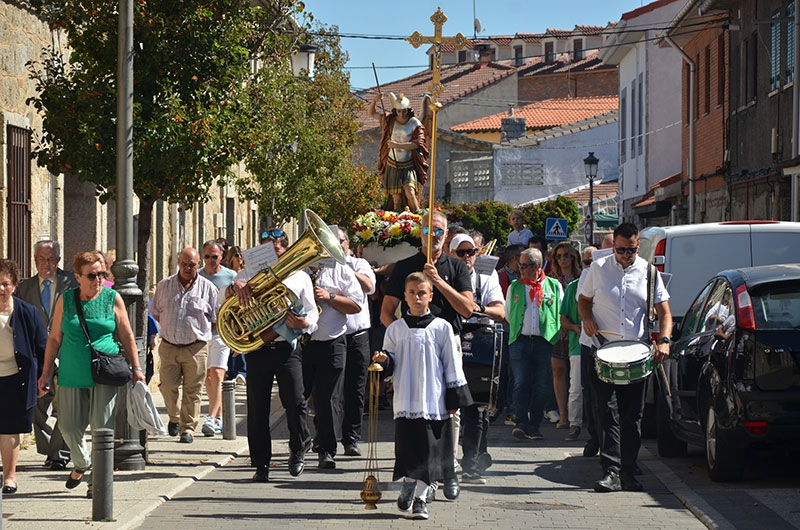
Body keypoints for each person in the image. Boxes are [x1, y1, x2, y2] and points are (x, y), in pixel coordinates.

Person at [36, 251, 145, 499]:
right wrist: (45, 373)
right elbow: (54, 338)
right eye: (92, 275)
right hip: (72, 372)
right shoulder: (66, 300)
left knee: (101, 429)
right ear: (78, 277)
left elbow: (127, 336)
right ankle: (82, 462)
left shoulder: (112, 298)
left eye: (102, 274)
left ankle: (97, 481)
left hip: (104, 373)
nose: (98, 280)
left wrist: (136, 368)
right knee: (69, 426)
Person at [381, 209, 473, 500]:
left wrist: (439, 282)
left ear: (446, 235)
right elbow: (386, 311)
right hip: (411, 344)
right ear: (418, 233)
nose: (432, 236)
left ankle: (449, 470)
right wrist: (402, 336)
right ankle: (416, 473)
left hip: (446, 339)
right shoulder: (405, 266)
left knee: (449, 410)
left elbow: (467, 309)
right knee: (412, 413)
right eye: (427, 230)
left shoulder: (457, 268)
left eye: (438, 231)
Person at [578, 222, 673, 493]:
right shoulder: (598, 269)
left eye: (630, 250)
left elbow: (664, 314)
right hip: (602, 348)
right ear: (614, 246)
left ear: (637, 246)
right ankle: (610, 471)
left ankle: (629, 471)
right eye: (620, 250)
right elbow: (583, 301)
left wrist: (664, 341)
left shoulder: (649, 272)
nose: (625, 255)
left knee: (633, 415)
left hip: (635, 353)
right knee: (606, 412)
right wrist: (587, 320)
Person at [373, 272, 472, 520]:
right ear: (404, 297)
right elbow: (390, 362)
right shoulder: (395, 329)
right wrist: (384, 361)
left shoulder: (442, 328)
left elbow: (452, 364)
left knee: (430, 452)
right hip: (406, 399)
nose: (417, 297)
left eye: (422, 293)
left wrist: (453, 398)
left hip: (433, 400)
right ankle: (408, 482)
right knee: (408, 450)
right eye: (412, 293)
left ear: (430, 295)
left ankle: (420, 499)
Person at [229, 231, 318, 481]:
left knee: (296, 402)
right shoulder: (246, 275)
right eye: (266, 249)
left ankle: (299, 449)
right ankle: (261, 464)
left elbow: (312, 311)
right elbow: (226, 299)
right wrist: (236, 285)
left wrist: (304, 323)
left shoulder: (300, 276)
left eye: (276, 249)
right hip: (257, 348)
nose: (272, 254)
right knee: (257, 409)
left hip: (286, 347)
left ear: (286, 250)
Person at [16, 240, 77, 471]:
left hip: (68, 351)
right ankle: (49, 447)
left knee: (69, 404)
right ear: (35, 260)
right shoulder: (25, 288)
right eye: (41, 259)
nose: (46, 264)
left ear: (59, 260)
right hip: (38, 354)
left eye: (51, 259)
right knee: (37, 405)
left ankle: (58, 453)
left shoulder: (72, 282)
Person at [450, 234, 505, 484]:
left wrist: (477, 309)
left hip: (477, 341)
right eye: (461, 253)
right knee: (448, 406)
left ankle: (471, 463)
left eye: (471, 252)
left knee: (476, 407)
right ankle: (444, 462)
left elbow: (500, 311)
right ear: (452, 254)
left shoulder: (486, 276)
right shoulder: (445, 275)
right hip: (450, 339)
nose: (467, 257)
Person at [151, 247, 219, 444]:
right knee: (168, 386)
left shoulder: (208, 289)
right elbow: (156, 312)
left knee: (193, 390)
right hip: (169, 346)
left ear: (199, 264)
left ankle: (187, 428)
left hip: (195, 348)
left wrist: (198, 331)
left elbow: (214, 319)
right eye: (184, 264)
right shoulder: (164, 286)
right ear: (178, 263)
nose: (188, 268)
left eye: (192, 264)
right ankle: (174, 417)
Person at [303, 253, 363, 470]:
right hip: (302, 341)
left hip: (332, 342)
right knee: (297, 397)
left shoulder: (341, 269)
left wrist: (329, 297)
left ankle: (327, 450)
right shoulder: (298, 269)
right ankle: (299, 444)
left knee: (327, 400)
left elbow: (357, 305)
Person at [0, 259, 47, 494]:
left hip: (16, 379)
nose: (0, 289)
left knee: (10, 429)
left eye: (5, 284)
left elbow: (42, 348)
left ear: (15, 285)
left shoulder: (27, 312)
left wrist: (43, 379)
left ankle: (9, 478)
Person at [505, 248, 562, 441]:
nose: (520, 269)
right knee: (521, 382)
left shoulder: (553, 285)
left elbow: (559, 311)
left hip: (544, 341)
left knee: (541, 385)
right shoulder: (515, 286)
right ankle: (522, 422)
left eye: (524, 266)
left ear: (536, 266)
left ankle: (535, 425)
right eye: (519, 265)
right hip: (520, 341)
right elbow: (507, 313)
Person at [338, 227, 376, 457]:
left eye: (340, 242)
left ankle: (351, 437)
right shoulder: (324, 265)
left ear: (347, 245)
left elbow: (369, 287)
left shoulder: (358, 264)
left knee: (355, 389)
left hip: (357, 335)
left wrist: (347, 268)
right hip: (332, 336)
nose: (337, 246)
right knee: (329, 390)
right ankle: (326, 437)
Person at [197, 240, 237, 437]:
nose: (211, 260)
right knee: (208, 378)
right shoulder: (197, 277)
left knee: (219, 375)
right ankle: (220, 417)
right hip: (202, 334)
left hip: (223, 333)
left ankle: (211, 418)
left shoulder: (231, 277)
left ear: (221, 256)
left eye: (215, 256)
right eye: (207, 257)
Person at [368, 91, 428, 211]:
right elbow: (372, 113)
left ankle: (418, 215)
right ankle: (396, 220)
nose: (401, 114)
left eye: (404, 111)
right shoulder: (389, 120)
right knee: (396, 199)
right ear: (395, 110)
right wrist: (375, 101)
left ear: (408, 109)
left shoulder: (415, 123)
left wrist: (396, 145)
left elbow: (417, 144)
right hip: (392, 163)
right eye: (399, 111)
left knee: (410, 193)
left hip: (408, 164)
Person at [549, 242, 581, 430]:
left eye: (566, 255)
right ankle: (563, 415)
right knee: (559, 372)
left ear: (573, 257)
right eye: (558, 256)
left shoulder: (581, 279)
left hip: (576, 332)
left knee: (576, 377)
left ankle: (577, 414)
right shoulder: (552, 279)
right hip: (558, 332)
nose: (562, 259)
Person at [223, 245, 247, 384]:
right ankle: (231, 371)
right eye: (237, 255)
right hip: (230, 311)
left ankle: (242, 371)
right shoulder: (228, 274)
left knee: (241, 338)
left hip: (243, 311)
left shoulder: (246, 273)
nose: (240, 258)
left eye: (241, 255)